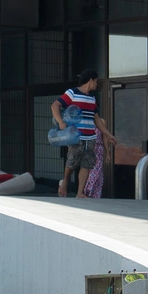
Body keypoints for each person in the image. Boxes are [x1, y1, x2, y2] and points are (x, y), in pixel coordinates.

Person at [52, 69, 114, 198]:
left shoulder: (92, 98)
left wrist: (108, 134)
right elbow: (55, 105)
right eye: (96, 82)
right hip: (76, 136)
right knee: (72, 162)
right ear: (90, 81)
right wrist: (61, 121)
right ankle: (65, 181)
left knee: (87, 164)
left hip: (90, 136)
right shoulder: (72, 93)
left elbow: (96, 119)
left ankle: (80, 192)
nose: (96, 85)